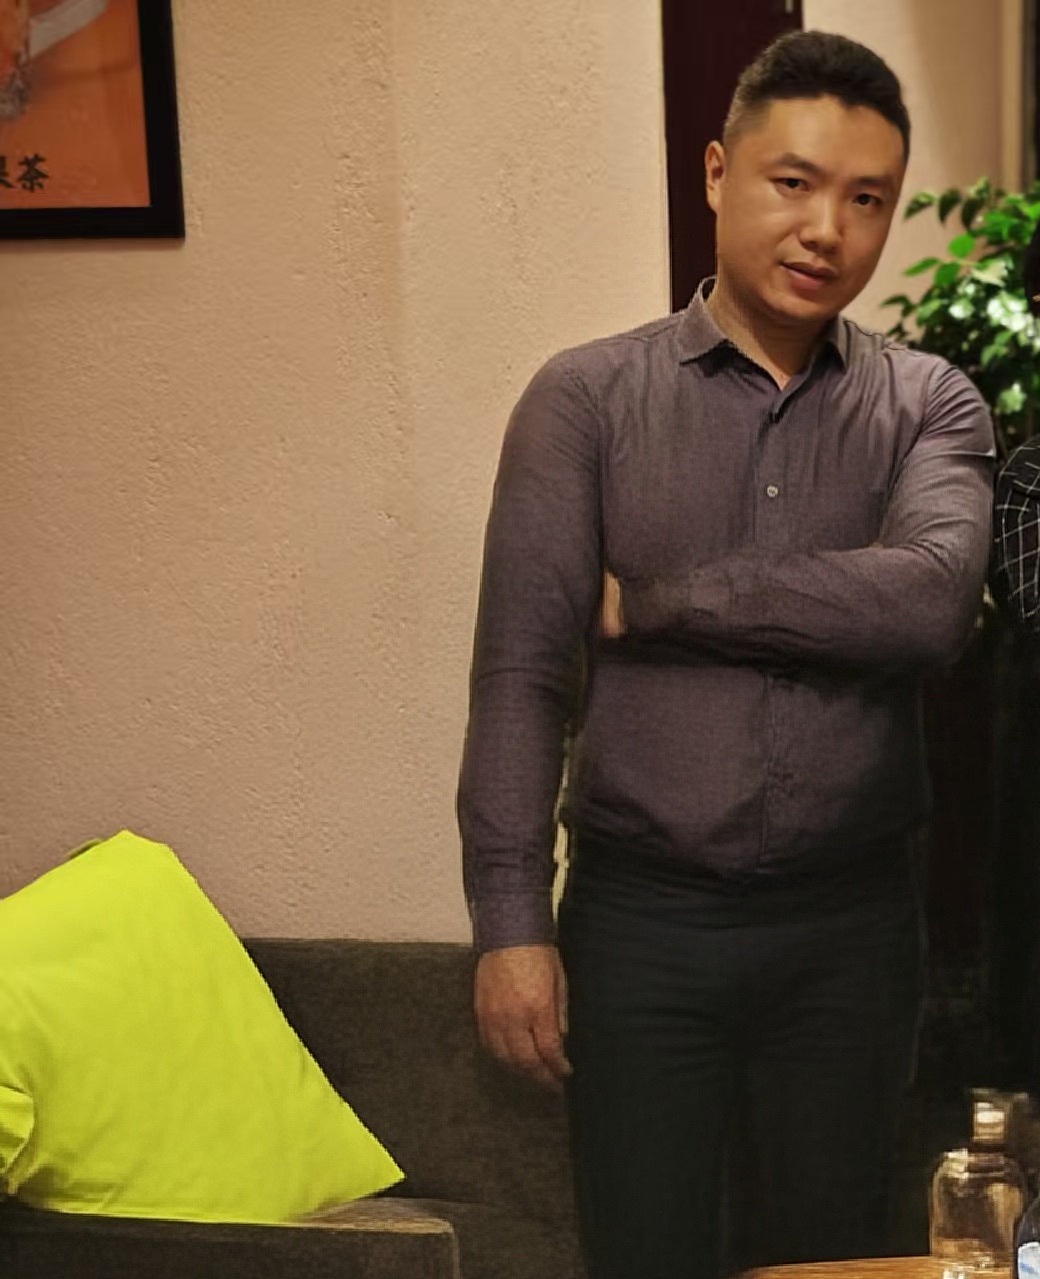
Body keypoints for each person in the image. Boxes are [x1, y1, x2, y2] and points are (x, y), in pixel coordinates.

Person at [458, 29, 995, 1279]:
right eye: (791, 182)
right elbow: (519, 674)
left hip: (848, 931)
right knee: (640, 1252)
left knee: (828, 1260)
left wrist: (656, 603)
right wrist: (507, 923)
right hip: (641, 926)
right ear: (715, 173)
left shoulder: (927, 404)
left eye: (865, 200)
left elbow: (926, 607)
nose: (825, 230)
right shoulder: (584, 402)